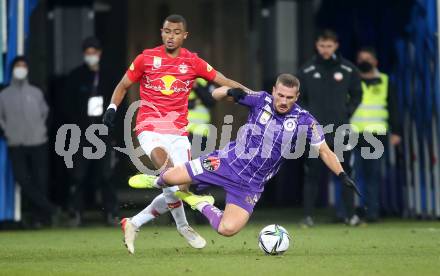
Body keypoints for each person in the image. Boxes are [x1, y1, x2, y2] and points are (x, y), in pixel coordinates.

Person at [128, 74, 360, 237]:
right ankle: (157, 180)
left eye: (289, 97)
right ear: (274, 91)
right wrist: (229, 91)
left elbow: (324, 150)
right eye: (280, 95)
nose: (283, 101)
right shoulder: (259, 100)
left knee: (226, 230)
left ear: (297, 97)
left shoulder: (305, 120)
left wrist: (341, 174)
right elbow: (216, 94)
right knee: (172, 179)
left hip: (251, 185)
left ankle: (201, 204)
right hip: (225, 162)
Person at [102, 14, 249, 254]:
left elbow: (222, 79)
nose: (171, 36)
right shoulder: (146, 58)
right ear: (162, 32)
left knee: (178, 185)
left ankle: (135, 222)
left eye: (176, 32)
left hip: (179, 133)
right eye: (167, 31)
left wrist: (252, 94)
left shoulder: (192, 62)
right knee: (170, 173)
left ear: (184, 35)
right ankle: (186, 221)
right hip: (149, 127)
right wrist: (111, 108)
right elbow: (123, 85)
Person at [296, 29, 362, 226]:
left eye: (329, 46)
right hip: (315, 131)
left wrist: (346, 112)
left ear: (336, 46)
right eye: (322, 46)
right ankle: (308, 216)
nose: (325, 50)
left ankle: (351, 216)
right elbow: (299, 98)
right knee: (312, 174)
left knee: (344, 172)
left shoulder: (348, 69)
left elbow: (357, 94)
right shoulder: (306, 70)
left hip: (341, 129)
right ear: (317, 45)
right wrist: (308, 118)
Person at [63, 37, 118, 226]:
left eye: (94, 52)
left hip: (103, 132)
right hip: (81, 133)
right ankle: (75, 212)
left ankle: (110, 212)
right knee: (78, 175)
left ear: (100, 53)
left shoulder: (109, 76)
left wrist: (114, 132)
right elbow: (67, 106)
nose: (91, 56)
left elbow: (119, 104)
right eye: (88, 53)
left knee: (106, 175)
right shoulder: (75, 76)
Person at [0, 56, 59, 228]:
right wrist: (7, 132)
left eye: (24, 65)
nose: (21, 68)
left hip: (37, 141)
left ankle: (41, 218)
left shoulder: (36, 92)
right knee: (23, 179)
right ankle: (50, 209)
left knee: (40, 180)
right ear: (12, 69)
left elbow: (46, 114)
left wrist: (42, 131)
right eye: (18, 65)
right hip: (16, 143)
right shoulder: (4, 95)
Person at [351, 47, 402, 223]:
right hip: (353, 133)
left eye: (367, 58)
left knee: (372, 175)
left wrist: (396, 131)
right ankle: (353, 213)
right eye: (361, 58)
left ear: (375, 62)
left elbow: (394, 107)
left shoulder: (385, 80)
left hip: (376, 135)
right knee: (352, 174)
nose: (364, 61)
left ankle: (372, 213)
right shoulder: (351, 80)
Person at [187, 78, 216, 154]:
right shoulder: (180, 79)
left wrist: (196, 86)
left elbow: (211, 101)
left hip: (201, 131)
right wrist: (194, 102)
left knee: (200, 162)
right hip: (182, 130)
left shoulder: (205, 80)